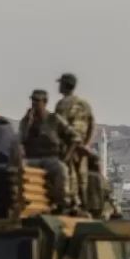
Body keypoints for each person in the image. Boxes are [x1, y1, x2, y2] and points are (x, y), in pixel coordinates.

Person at [19, 90, 80, 213]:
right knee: (20, 169)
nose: (34, 104)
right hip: (32, 158)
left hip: (50, 157)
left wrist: (67, 156)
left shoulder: (54, 119)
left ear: (45, 102)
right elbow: (21, 139)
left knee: (61, 170)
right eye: (33, 100)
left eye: (37, 101)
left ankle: (62, 203)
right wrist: (28, 123)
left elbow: (75, 137)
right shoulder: (26, 121)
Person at [54, 73, 96, 209]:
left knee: (70, 178)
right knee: (82, 179)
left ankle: (73, 206)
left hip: (69, 147)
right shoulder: (85, 104)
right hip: (82, 147)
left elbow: (59, 127)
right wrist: (86, 145)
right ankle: (84, 206)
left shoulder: (62, 105)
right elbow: (92, 125)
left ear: (64, 85)